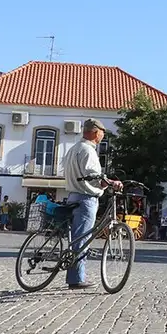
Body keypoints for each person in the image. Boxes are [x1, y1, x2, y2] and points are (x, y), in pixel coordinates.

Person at [60, 118, 122, 289]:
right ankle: (76, 278)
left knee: (77, 236)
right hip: (85, 198)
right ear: (96, 132)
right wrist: (111, 182)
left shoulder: (74, 149)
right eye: (102, 133)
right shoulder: (88, 150)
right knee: (82, 238)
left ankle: (74, 275)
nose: (102, 136)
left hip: (73, 195)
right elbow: (94, 177)